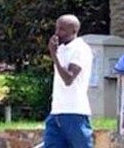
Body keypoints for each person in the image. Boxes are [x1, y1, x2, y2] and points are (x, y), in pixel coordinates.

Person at [43, 14, 93, 148]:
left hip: (75, 113)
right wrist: (56, 53)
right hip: (57, 112)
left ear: (74, 31)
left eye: (62, 30)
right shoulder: (61, 49)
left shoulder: (81, 49)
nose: (57, 33)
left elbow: (69, 78)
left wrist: (53, 55)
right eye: (57, 28)